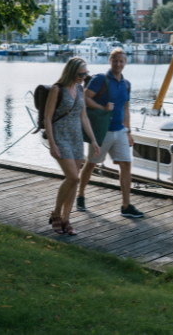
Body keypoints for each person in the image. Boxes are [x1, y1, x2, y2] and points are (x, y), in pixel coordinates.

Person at [77, 48, 144, 218]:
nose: (118, 64)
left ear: (126, 62)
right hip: (102, 131)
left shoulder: (126, 84)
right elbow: (85, 97)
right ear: (110, 61)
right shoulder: (101, 79)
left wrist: (128, 132)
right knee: (91, 164)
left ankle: (126, 206)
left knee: (126, 165)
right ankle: (80, 194)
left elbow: (126, 109)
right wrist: (102, 107)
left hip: (120, 131)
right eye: (115, 61)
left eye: (121, 61)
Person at [45, 57, 100, 235]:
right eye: (80, 74)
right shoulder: (57, 89)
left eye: (86, 74)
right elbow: (48, 118)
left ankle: (66, 219)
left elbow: (83, 117)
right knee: (73, 177)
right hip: (60, 137)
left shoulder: (80, 88)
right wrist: (52, 144)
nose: (83, 77)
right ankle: (56, 214)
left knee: (73, 181)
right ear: (71, 72)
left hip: (76, 138)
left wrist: (93, 139)